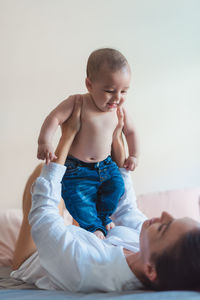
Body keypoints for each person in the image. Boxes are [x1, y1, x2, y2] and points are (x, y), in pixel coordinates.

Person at [11, 101, 200, 292]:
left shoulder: (88, 268)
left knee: (43, 174)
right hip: (88, 238)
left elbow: (44, 217)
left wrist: (67, 136)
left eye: (164, 228)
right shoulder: (145, 246)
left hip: (38, 257)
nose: (165, 214)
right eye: (173, 219)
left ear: (151, 270)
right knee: (90, 194)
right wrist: (116, 137)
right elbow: (126, 208)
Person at [37, 48, 139, 238]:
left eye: (124, 91)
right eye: (109, 91)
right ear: (89, 84)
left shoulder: (119, 111)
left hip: (106, 166)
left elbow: (131, 132)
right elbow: (54, 118)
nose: (117, 98)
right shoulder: (77, 103)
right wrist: (44, 142)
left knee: (117, 187)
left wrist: (134, 155)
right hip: (77, 170)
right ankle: (92, 227)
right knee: (79, 199)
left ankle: (103, 217)